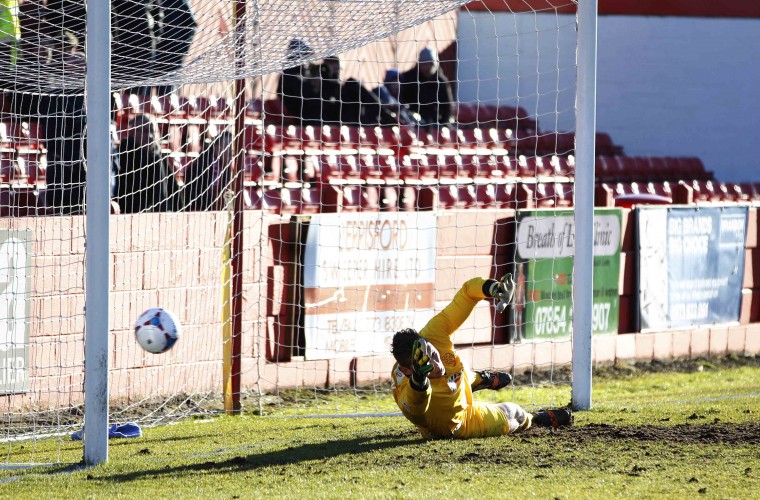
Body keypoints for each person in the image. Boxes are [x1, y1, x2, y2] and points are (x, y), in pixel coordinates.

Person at [390, 275, 572, 439]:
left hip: (457, 380)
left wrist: (494, 289)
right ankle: (535, 419)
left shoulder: (432, 333)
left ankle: (479, 379)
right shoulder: (407, 391)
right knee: (513, 412)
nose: (435, 363)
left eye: (432, 352)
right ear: (407, 370)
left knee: (456, 370)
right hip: (456, 423)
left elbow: (468, 292)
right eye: (426, 362)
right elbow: (416, 407)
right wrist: (420, 380)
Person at [116, 113, 180, 213]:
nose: (150, 136)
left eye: (153, 132)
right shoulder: (122, 155)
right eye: (145, 131)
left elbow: (174, 194)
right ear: (133, 132)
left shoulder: (159, 157)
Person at [398, 47, 454, 126]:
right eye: (423, 64)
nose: (426, 68)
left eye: (429, 64)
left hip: (435, 121)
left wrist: (443, 123)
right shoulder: (410, 78)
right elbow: (404, 100)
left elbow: (447, 107)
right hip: (413, 120)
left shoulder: (441, 82)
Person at [182, 131, 232, 211]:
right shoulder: (202, 166)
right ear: (217, 147)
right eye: (227, 147)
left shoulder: (225, 167)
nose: (230, 151)